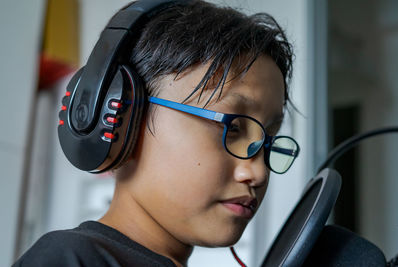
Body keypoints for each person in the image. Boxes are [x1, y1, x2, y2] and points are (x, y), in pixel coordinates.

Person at [13, 0, 298, 266]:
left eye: (267, 141)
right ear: (121, 120)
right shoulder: (70, 258)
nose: (258, 173)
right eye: (232, 127)